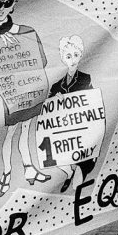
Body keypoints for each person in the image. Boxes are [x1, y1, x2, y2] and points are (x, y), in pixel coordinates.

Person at [0, 0, 50, 190]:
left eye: (6, 4)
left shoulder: (26, 32)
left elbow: (41, 61)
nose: (0, 9)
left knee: (27, 129)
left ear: (13, 7)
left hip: (27, 91)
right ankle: (7, 174)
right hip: (8, 96)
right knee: (10, 133)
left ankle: (29, 167)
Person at [49, 34, 97, 194]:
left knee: (80, 177)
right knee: (56, 159)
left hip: (83, 133)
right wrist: (55, 100)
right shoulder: (56, 86)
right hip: (64, 133)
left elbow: (91, 102)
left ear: (81, 55)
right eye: (68, 56)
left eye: (76, 55)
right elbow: (48, 108)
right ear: (63, 58)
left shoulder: (85, 78)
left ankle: (78, 180)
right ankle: (69, 174)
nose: (73, 60)